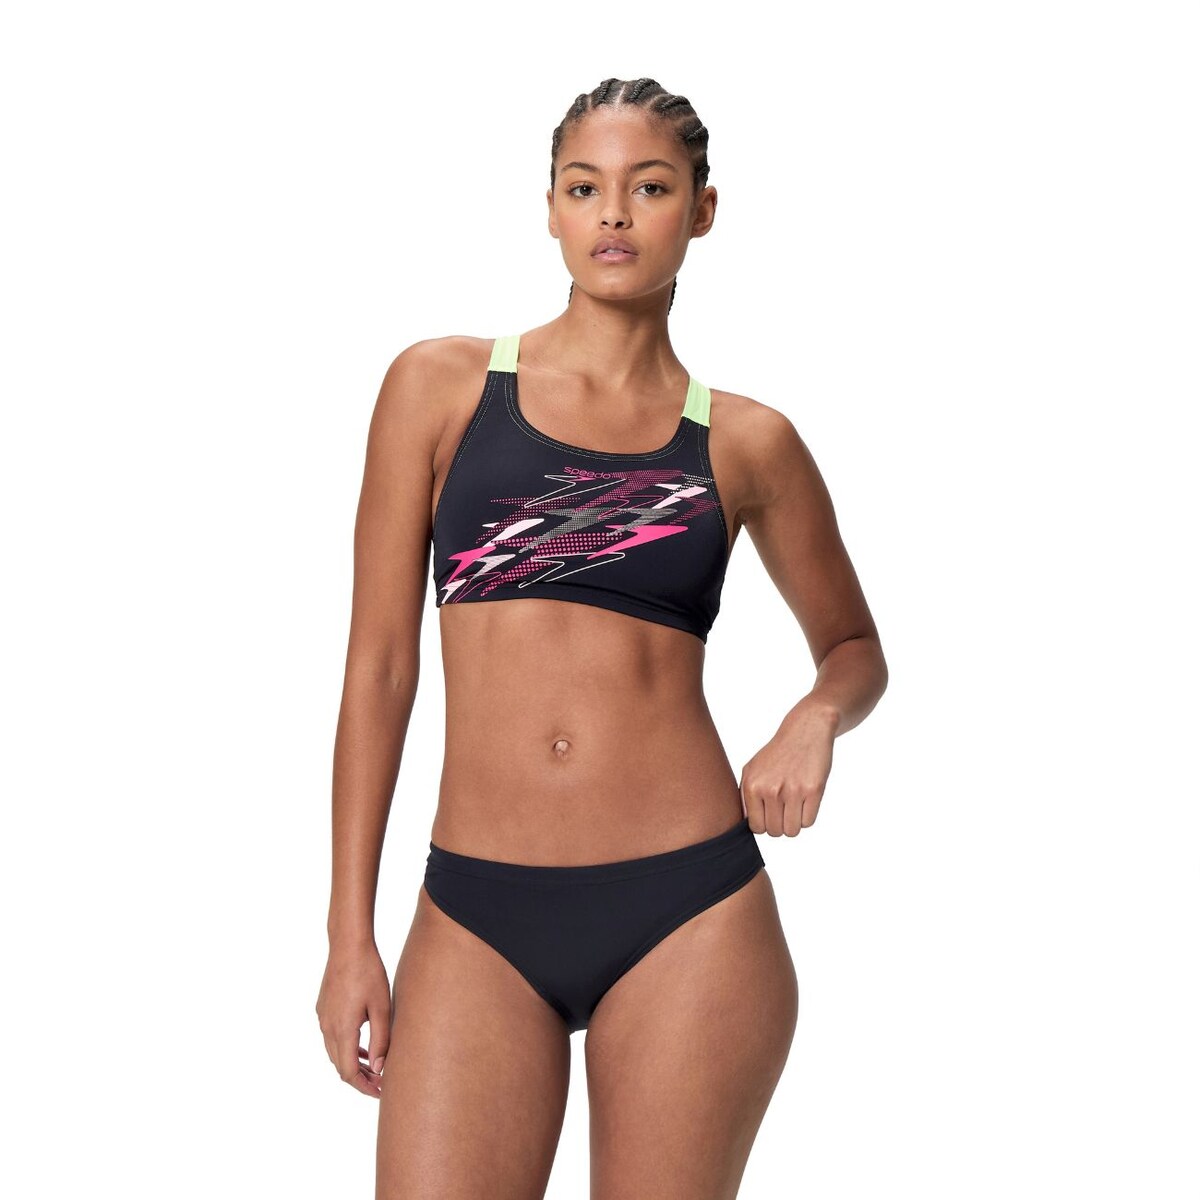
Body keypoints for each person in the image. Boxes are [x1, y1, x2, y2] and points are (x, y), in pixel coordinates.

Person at [316, 76, 888, 1199]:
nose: (615, 213)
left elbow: (854, 645)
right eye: (585, 188)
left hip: (690, 912)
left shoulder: (747, 443)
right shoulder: (441, 388)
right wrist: (349, 937)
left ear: (702, 211)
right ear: (551, 208)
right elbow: (378, 671)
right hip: (473, 912)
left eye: (651, 187)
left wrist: (815, 718)